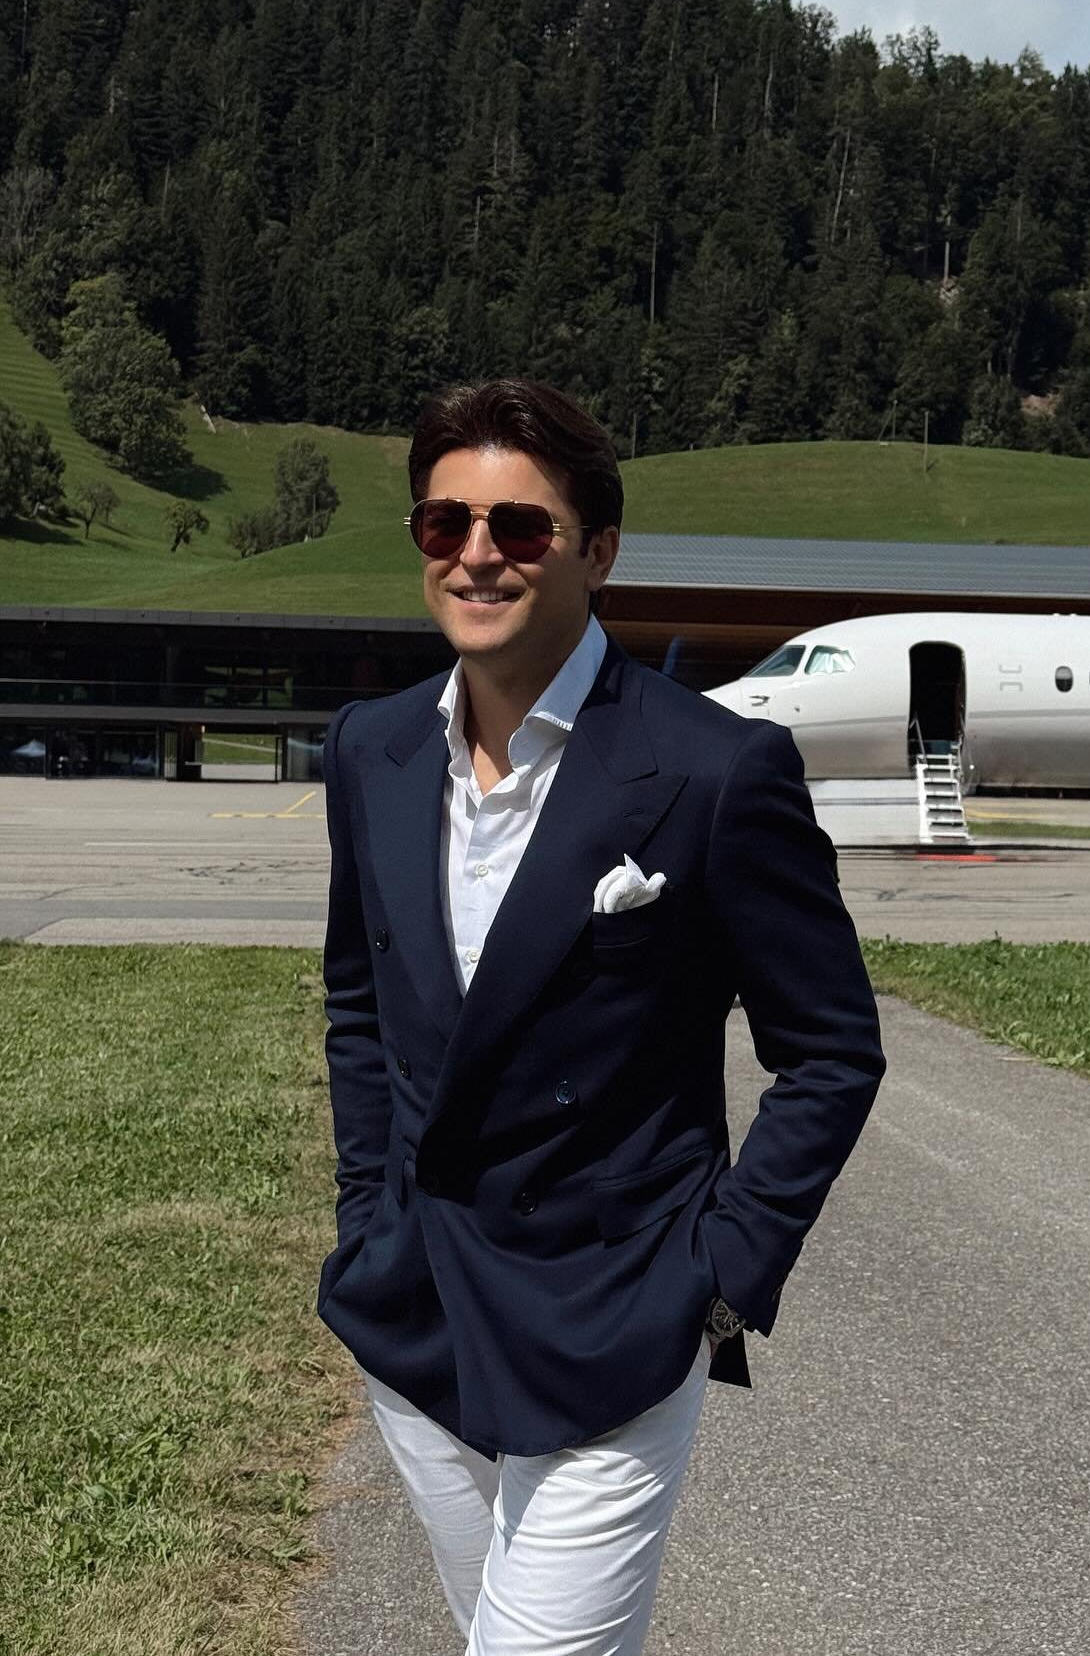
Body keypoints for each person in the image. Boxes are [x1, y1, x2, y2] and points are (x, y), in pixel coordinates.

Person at [316, 378, 886, 1654]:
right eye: (443, 522)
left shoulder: (713, 768)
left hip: (616, 1317)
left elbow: (832, 1049)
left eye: (519, 528)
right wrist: (367, 1211)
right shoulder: (371, 747)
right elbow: (361, 1000)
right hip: (416, 1312)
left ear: (599, 550)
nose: (475, 553)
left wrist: (724, 1273)